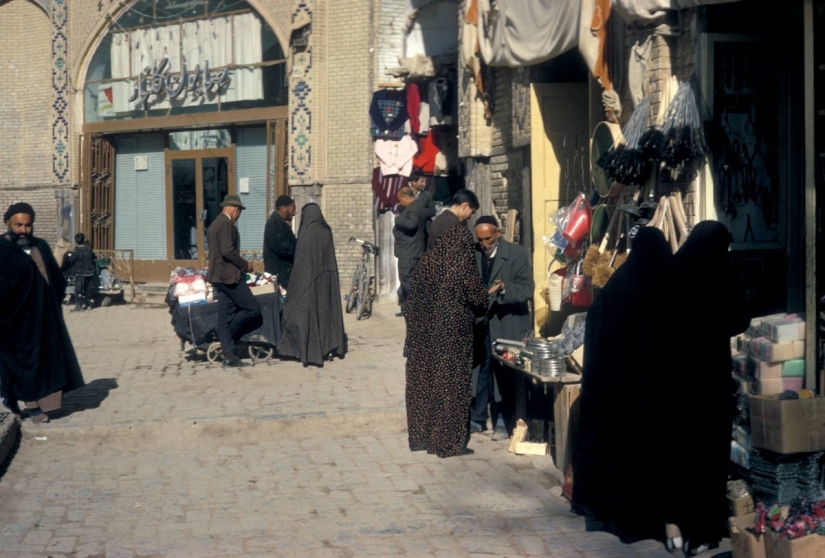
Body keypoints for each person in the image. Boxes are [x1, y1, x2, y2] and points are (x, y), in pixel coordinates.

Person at [572, 227, 675, 544]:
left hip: (614, 390)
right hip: (649, 390)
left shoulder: (616, 286)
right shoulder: (662, 288)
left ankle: (618, 515)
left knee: (620, 452)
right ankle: (644, 518)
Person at [666, 221, 750, 555]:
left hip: (676, 381)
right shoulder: (721, 275)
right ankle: (703, 532)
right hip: (710, 381)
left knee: (681, 455)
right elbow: (740, 319)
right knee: (710, 456)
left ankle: (676, 524)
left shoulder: (674, 271)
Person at [404, 224, 489, 458]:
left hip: (421, 337)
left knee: (422, 385)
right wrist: (486, 295)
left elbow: (410, 300)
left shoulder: (426, 262)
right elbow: (478, 299)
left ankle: (420, 438)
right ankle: (446, 442)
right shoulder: (461, 264)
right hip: (452, 338)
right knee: (450, 386)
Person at [0, 202, 85, 423]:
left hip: (43, 315)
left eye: (28, 225)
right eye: (18, 225)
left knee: (47, 360)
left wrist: (50, 301)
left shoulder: (41, 246)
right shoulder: (2, 249)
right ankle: (31, 406)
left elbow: (56, 277)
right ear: (7, 223)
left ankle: (46, 403)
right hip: (13, 319)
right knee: (21, 363)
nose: (23, 230)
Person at [469, 216, 534, 441]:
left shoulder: (516, 253)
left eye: (488, 239)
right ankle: (478, 416)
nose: (484, 244)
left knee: (506, 372)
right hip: (483, 324)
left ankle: (503, 420)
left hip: (508, 324)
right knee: (481, 369)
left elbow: (527, 288)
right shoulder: (474, 254)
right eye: (480, 240)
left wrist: (505, 288)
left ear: (498, 233)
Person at [279, 204, 347, 366]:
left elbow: (301, 262)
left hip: (308, 281)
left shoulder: (306, 233)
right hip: (326, 282)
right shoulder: (326, 231)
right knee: (326, 314)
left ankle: (308, 350)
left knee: (306, 314)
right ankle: (329, 348)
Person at [206, 194, 262, 369]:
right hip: (229, 277)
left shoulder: (214, 224)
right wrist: (246, 265)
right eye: (239, 212)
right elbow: (227, 251)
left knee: (224, 317)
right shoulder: (225, 224)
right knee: (252, 309)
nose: (239, 216)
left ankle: (229, 355)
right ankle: (228, 337)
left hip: (218, 277)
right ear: (235, 210)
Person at [393, 187, 429, 317]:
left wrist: (398, 219)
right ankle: (408, 308)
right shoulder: (416, 206)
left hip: (409, 251)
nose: (399, 203)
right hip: (412, 249)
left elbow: (411, 224)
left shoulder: (414, 208)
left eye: (400, 200)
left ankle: (419, 305)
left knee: (406, 278)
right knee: (410, 278)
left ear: (406, 197)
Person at [263, 195, 298, 289]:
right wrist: (299, 249)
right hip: (279, 276)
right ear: (283, 208)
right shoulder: (273, 224)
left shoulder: (281, 224)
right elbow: (284, 248)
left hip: (284, 275)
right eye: (293, 209)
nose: (295, 213)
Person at [66, 233, 97, 312]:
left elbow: (71, 260)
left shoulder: (77, 250)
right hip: (90, 272)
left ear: (76, 241)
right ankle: (88, 305)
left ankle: (79, 307)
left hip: (80, 273)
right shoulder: (89, 249)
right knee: (88, 289)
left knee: (78, 290)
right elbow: (94, 257)